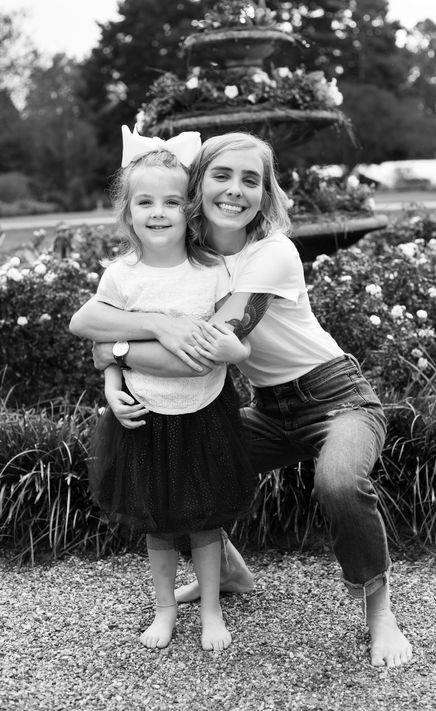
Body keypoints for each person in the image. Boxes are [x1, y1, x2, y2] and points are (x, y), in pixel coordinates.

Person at [70, 131, 413, 668]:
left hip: (335, 397)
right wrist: (147, 328)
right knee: (177, 463)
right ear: (197, 186)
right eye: (221, 175)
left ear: (265, 193)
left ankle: (380, 611)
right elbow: (96, 316)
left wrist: (114, 350)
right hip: (270, 409)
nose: (235, 190)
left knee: (338, 482)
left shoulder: (272, 252)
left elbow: (201, 354)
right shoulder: (194, 252)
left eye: (250, 180)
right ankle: (228, 572)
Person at [80, 127, 254, 652]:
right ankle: (164, 609)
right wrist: (111, 385)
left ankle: (211, 609)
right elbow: (100, 338)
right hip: (144, 414)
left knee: (205, 521)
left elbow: (212, 350)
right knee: (157, 522)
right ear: (127, 212)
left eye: (172, 202)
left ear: (189, 208)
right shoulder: (121, 277)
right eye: (146, 202)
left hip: (204, 412)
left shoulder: (211, 272)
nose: (159, 213)